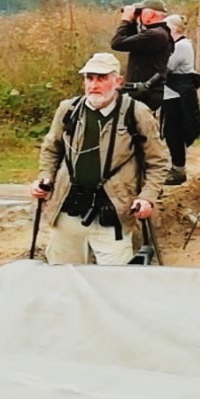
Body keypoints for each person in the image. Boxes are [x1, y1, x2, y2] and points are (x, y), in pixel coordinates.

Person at [30, 52, 170, 265]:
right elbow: (52, 149)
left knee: (114, 281)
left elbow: (158, 161)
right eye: (89, 78)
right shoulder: (69, 110)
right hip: (69, 207)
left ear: (118, 81)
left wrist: (147, 196)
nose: (94, 85)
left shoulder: (136, 113)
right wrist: (45, 178)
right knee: (63, 276)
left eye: (101, 78)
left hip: (114, 211)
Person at [162, 14, 200, 185]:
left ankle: (179, 169)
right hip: (171, 94)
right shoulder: (178, 45)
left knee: (174, 133)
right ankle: (176, 166)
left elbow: (166, 66)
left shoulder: (182, 46)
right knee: (170, 133)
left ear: (173, 29)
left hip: (175, 95)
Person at [110, 0, 173, 111]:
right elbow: (131, 42)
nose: (138, 15)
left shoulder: (155, 35)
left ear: (150, 15)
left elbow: (117, 43)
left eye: (141, 12)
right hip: (145, 92)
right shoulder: (159, 33)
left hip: (144, 94)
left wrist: (125, 20)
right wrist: (133, 22)